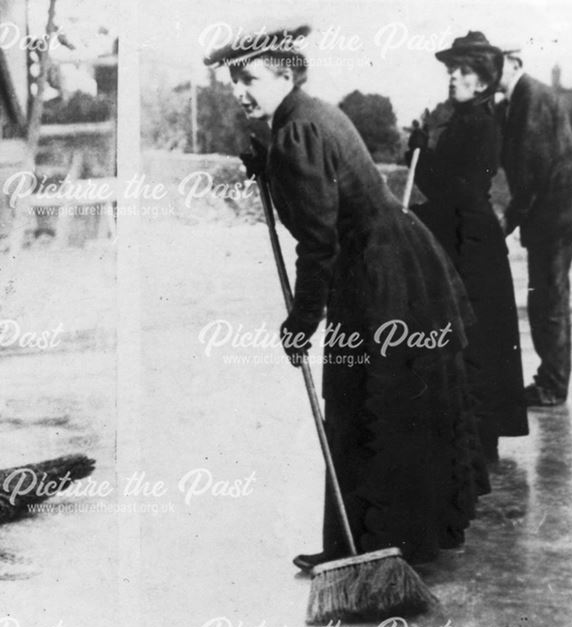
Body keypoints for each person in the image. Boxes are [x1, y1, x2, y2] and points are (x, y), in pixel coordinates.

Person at [205, 27, 489, 567]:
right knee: (382, 399)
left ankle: (369, 547)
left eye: (248, 79)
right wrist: (267, 167)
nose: (238, 91)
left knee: (365, 401)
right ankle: (375, 542)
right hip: (398, 260)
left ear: (285, 75)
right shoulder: (306, 116)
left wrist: (301, 320)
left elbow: (319, 241)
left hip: (378, 273)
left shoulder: (296, 132)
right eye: (232, 81)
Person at [409, 31, 529, 463]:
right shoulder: (464, 119)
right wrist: (418, 151)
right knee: (473, 335)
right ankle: (478, 434)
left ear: (481, 82)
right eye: (450, 70)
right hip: (462, 234)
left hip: (470, 241)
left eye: (461, 71)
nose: (452, 77)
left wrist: (423, 157)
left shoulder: (479, 124)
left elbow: (459, 189)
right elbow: (442, 184)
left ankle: (481, 438)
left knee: (477, 337)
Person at [496, 46, 572, 406]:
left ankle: (552, 386)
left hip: (557, 211)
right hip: (556, 209)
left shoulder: (530, 97)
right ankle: (550, 380)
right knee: (547, 296)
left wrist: (508, 220)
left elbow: (531, 168)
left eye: (497, 63)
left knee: (548, 298)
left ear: (515, 64)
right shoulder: (516, 99)